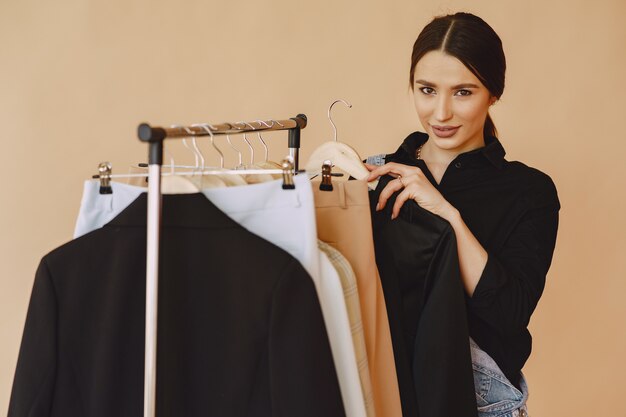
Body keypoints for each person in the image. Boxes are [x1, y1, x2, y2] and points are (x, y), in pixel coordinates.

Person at [366, 12, 560, 417]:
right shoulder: (375, 178)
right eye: (427, 90)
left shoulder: (529, 192)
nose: (440, 113)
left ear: (493, 93)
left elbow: (509, 313)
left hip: (482, 404)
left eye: (463, 92)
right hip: (383, 392)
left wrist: (448, 215)